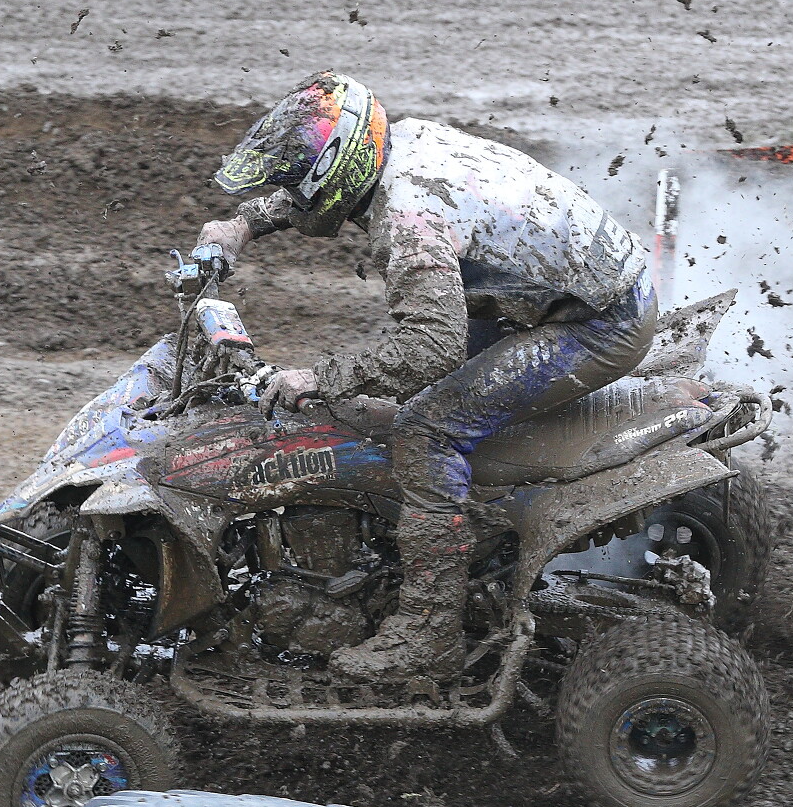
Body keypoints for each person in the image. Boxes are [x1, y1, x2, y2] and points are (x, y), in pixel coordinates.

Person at [198, 72, 659, 682]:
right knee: (416, 397)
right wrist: (244, 224)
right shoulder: (401, 144)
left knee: (424, 429)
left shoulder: (410, 223)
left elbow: (429, 346)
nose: (289, 190)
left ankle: (428, 632)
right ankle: (463, 528)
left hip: (597, 322)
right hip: (575, 287)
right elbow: (317, 191)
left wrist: (321, 377)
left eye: (295, 179)